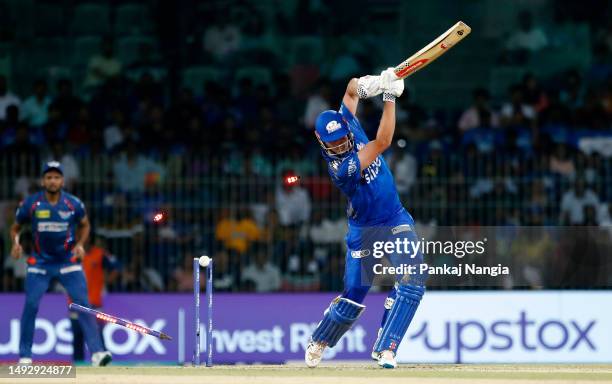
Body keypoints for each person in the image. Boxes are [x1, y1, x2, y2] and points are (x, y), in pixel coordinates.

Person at [305, 69, 424, 369]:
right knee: (355, 294)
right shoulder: (341, 169)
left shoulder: (345, 120)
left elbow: (349, 91)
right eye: (334, 144)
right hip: (365, 230)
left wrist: (368, 83)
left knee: (412, 282)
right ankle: (320, 339)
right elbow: (382, 141)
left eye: (343, 139)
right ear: (323, 144)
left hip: (395, 217)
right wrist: (388, 97)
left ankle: (387, 348)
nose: (342, 145)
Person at [10, 161, 112, 366]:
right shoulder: (32, 204)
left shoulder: (73, 203)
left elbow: (85, 225)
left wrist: (81, 244)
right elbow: (16, 227)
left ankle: (98, 353)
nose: (53, 181)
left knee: (84, 305)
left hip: (68, 262)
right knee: (31, 305)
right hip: (40, 263)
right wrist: (16, 243)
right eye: (49, 177)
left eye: (56, 177)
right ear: (43, 181)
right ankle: (25, 356)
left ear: (62, 181)